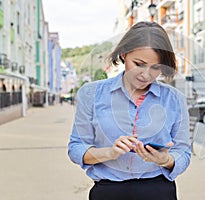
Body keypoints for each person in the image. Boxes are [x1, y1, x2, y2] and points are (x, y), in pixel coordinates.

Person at [68, 21, 191, 200]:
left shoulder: (175, 99)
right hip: (108, 192)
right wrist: (110, 152)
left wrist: (164, 160)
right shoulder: (91, 94)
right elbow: (76, 148)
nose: (146, 75)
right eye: (139, 64)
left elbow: (183, 152)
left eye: (155, 67)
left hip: (159, 191)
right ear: (124, 54)